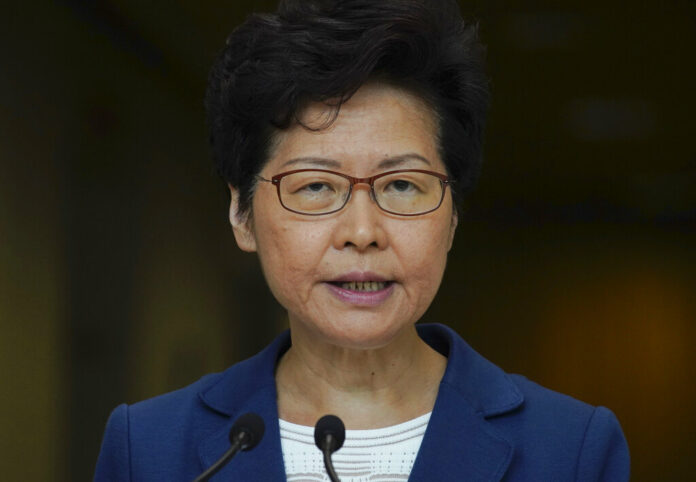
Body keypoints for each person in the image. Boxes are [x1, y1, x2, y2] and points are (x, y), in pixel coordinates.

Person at [94, 0, 630, 480]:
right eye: (315, 186)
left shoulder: (571, 449)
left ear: (453, 215)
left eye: (401, 184)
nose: (362, 233)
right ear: (241, 213)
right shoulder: (148, 448)